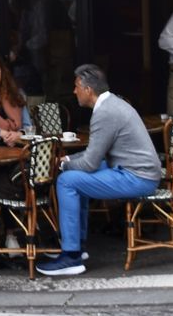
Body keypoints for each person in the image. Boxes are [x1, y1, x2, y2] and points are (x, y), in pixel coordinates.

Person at [36, 64, 161, 277]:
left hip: (137, 177)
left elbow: (89, 164)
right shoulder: (112, 104)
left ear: (88, 90)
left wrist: (62, 164)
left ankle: (71, 255)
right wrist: (67, 158)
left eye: (76, 86)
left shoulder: (105, 113)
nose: (74, 91)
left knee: (67, 181)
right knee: (77, 177)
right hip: (137, 171)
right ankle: (78, 245)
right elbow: (95, 155)